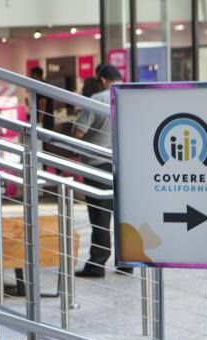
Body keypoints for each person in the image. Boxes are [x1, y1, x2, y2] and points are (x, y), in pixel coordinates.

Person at [72, 64, 129, 278]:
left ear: (103, 79)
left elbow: (79, 132)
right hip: (125, 164)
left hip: (98, 164)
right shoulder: (130, 97)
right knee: (124, 214)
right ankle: (127, 262)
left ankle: (97, 263)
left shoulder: (97, 99)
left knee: (100, 217)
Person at [27, 66, 55, 131]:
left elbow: (42, 105)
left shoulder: (40, 86)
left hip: (44, 121)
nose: (31, 77)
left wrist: (39, 123)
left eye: (33, 76)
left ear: (39, 76)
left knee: (42, 139)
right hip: (48, 119)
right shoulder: (45, 84)